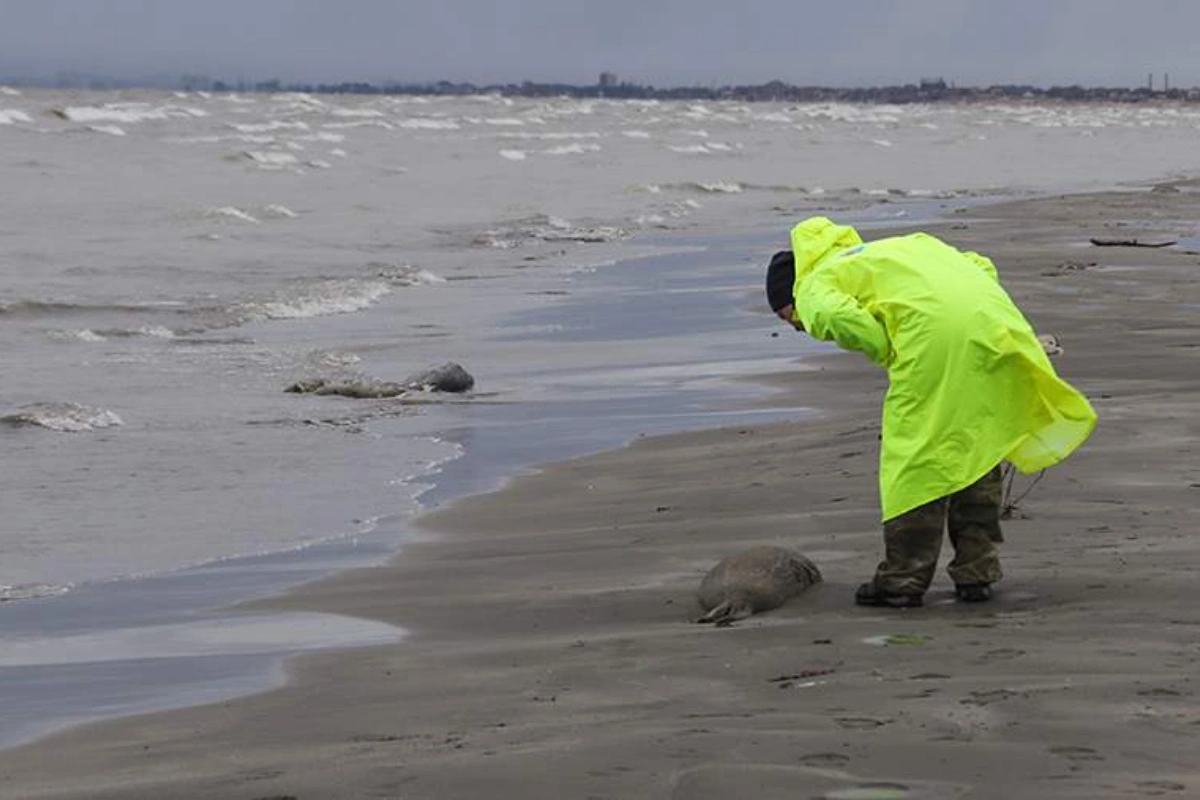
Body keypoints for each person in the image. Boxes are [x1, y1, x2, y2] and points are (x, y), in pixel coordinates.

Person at [765, 217, 1096, 607]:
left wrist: (886, 348)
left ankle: (903, 579)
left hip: (935, 341)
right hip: (994, 325)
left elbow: (840, 318)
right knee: (978, 440)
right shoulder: (900, 247)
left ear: (791, 293)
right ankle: (978, 573)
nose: (796, 325)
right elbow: (980, 264)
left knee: (914, 455)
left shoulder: (815, 283)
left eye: (788, 317)